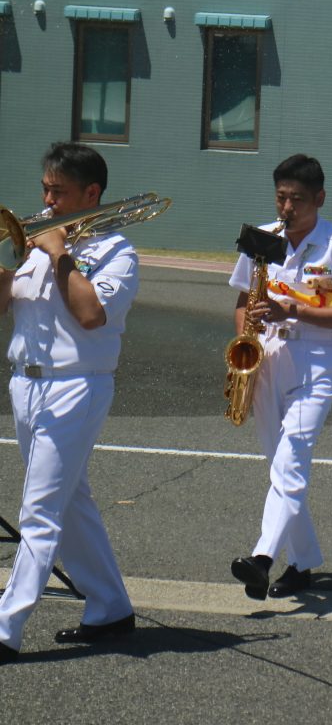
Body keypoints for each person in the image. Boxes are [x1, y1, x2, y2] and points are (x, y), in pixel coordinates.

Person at [0, 142, 140, 664]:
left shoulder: (118, 252)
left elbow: (90, 314)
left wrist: (60, 253)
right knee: (70, 502)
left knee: (39, 511)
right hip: (26, 384)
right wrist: (8, 263)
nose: (46, 201)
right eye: (45, 190)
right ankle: (110, 608)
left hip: (76, 386)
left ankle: (6, 626)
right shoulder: (33, 245)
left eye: (57, 192)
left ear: (91, 193)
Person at [229, 154, 332, 600]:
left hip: (316, 358)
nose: (287, 208)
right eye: (281, 198)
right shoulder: (261, 238)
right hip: (267, 356)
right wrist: (246, 344)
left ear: (319, 198)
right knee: (280, 467)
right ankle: (302, 561)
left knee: (291, 459)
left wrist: (293, 310)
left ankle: (262, 558)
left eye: (297, 199)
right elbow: (242, 300)